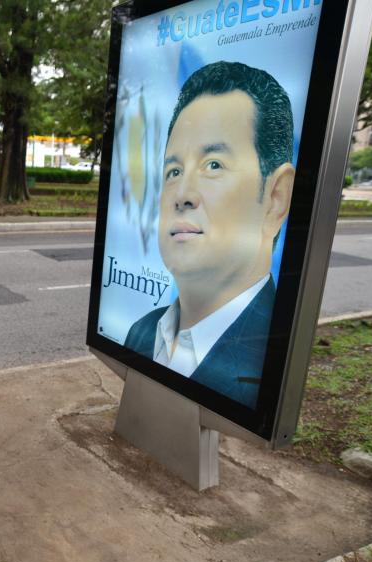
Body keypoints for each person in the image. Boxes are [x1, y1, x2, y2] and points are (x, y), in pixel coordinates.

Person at [124, 61, 296, 407]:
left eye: (213, 165)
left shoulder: (268, 365)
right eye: (173, 170)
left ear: (276, 198)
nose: (182, 193)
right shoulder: (141, 332)